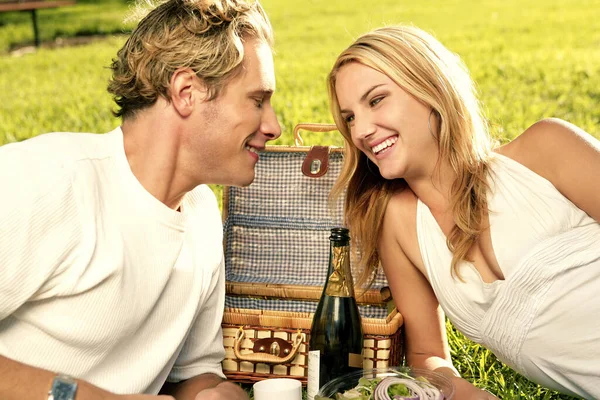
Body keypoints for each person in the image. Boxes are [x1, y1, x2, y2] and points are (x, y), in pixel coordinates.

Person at [0, 0, 281, 399]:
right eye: (257, 100)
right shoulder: (46, 181)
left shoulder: (201, 216)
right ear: (187, 92)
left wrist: (214, 393)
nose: (274, 126)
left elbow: (195, 371)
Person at [327, 25, 600, 400]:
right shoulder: (400, 225)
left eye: (375, 101)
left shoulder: (545, 150)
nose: (361, 131)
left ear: (430, 89)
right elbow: (428, 356)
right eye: (350, 118)